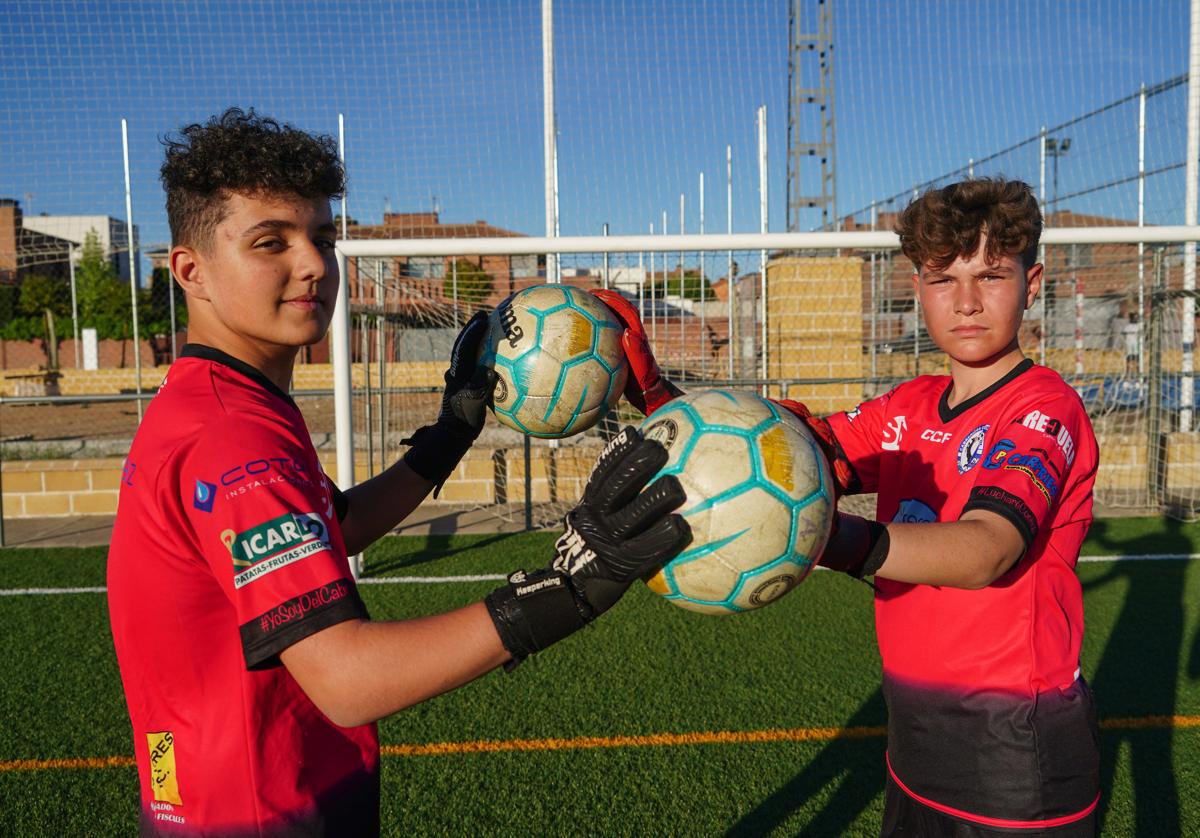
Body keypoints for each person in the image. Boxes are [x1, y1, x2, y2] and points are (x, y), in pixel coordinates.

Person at [106, 108, 691, 837]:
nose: (315, 264)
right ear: (189, 270)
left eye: (321, 237)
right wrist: (566, 592)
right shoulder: (233, 439)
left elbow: (334, 525)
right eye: (270, 242)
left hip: (225, 784)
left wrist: (449, 435)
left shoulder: (219, 399)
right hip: (259, 806)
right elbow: (347, 682)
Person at [597, 178, 1100, 836]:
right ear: (916, 288)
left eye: (992, 275)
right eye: (943, 278)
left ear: (1032, 284)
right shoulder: (908, 407)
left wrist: (830, 541)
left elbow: (986, 549)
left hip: (1015, 756)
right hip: (916, 746)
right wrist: (660, 395)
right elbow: (780, 456)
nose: (968, 301)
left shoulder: (1042, 407)